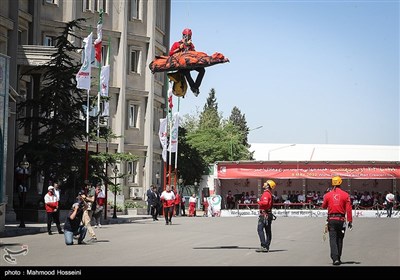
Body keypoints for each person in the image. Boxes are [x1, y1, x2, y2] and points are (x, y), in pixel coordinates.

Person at [322, 176, 353, 266]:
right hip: (341, 220)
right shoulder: (345, 195)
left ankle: (335, 258)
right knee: (340, 239)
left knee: (332, 239)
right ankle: (338, 257)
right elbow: (349, 209)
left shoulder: (328, 195)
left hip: (331, 219)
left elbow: (324, 206)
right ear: (340, 183)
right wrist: (350, 221)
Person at [169, 28, 205, 97]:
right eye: (187, 37)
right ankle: (194, 88)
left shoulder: (190, 45)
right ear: (183, 36)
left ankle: (195, 87)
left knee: (202, 70)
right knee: (186, 72)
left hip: (190, 64)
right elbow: (170, 53)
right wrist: (179, 48)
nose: (188, 38)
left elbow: (194, 54)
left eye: (189, 37)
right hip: (181, 66)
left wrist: (189, 47)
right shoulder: (177, 44)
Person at [256, 180, 276, 252]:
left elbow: (265, 203)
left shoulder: (266, 193)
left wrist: (258, 201)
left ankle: (264, 245)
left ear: (268, 186)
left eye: (266, 183)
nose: (264, 184)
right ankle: (266, 246)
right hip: (268, 214)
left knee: (260, 229)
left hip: (264, 215)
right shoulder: (269, 193)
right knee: (268, 231)